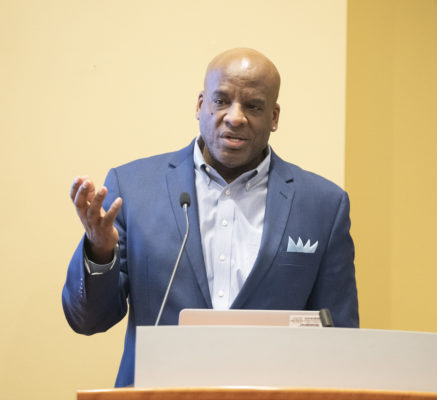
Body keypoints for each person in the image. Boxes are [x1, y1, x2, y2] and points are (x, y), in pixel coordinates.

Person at [62, 48, 359, 387]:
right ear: (200, 105)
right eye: (221, 100)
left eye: (253, 106)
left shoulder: (323, 205)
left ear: (274, 117)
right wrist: (100, 252)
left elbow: (340, 344)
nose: (235, 117)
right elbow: (87, 320)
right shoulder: (133, 189)